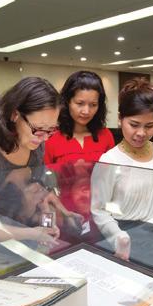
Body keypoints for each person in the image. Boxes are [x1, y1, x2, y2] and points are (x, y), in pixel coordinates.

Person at [0, 77, 80, 288]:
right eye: (39, 128)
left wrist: (47, 226)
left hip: (24, 253)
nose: (44, 138)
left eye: (51, 130)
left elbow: (41, 194)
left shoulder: (34, 143)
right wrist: (33, 232)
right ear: (14, 115)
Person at [91, 78, 153, 277]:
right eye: (134, 124)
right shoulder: (110, 160)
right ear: (120, 119)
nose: (141, 133)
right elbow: (98, 209)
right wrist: (118, 237)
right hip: (127, 239)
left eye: (149, 126)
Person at [44, 71, 115, 242]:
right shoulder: (52, 138)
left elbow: (113, 178)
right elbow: (43, 186)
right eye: (80, 103)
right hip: (65, 216)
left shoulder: (105, 136)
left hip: (101, 215)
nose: (86, 111)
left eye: (93, 105)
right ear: (67, 101)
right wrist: (47, 225)